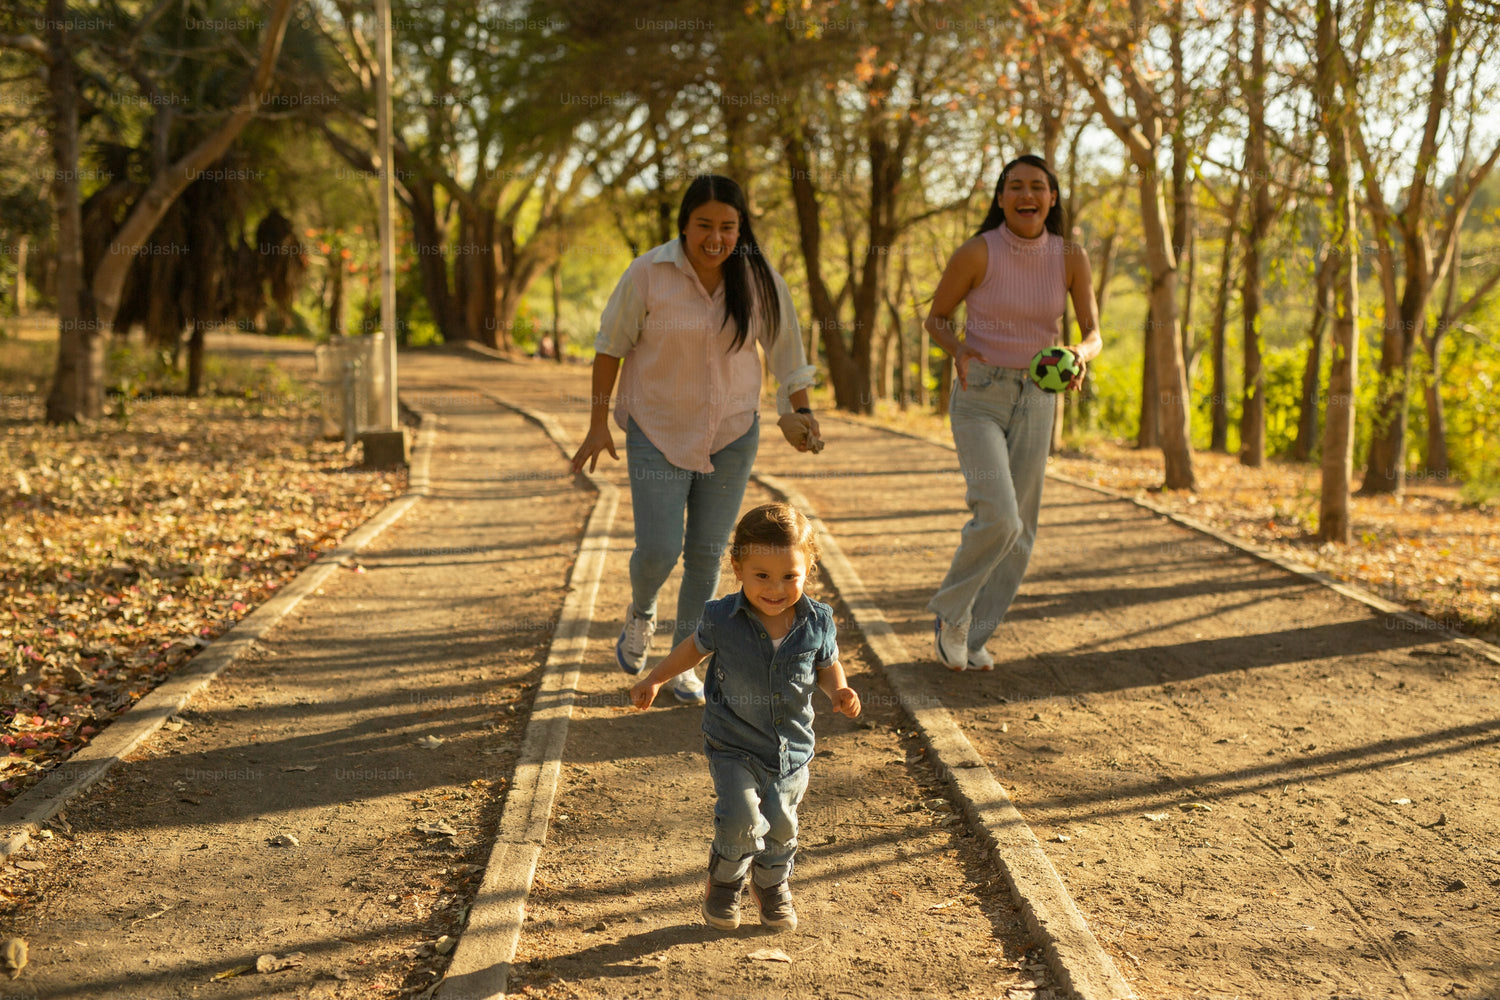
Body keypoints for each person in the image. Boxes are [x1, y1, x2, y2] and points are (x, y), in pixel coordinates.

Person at [570, 175, 824, 705]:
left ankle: (683, 665)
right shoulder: (648, 272)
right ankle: (641, 611)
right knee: (660, 549)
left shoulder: (758, 279)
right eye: (704, 225)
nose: (716, 237)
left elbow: (787, 354)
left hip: (731, 432)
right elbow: (609, 347)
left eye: (727, 226)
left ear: (740, 228)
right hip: (655, 429)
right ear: (684, 224)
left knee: (708, 553)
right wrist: (598, 423)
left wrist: (800, 413)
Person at [629, 502, 861, 931]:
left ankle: (771, 886)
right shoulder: (721, 617)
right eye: (762, 576)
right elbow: (691, 648)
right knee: (740, 818)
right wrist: (657, 678)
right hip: (733, 743)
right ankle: (725, 880)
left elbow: (828, 666)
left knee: (781, 826)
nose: (776, 589)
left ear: (808, 569)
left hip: (791, 750)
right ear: (737, 567)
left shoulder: (817, 621)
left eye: (790, 576)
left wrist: (840, 691)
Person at [924, 154, 1103, 671]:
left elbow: (1093, 334)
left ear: (1052, 198)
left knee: (1022, 529)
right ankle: (951, 613)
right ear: (1001, 198)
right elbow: (937, 318)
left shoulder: (1070, 256)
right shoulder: (978, 252)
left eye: (1038, 187)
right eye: (1016, 187)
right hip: (980, 393)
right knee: (999, 514)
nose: (1028, 195)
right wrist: (958, 350)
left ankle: (975, 636)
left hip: (1039, 395)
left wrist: (1078, 355)